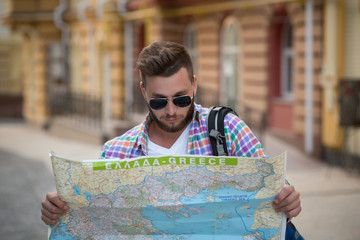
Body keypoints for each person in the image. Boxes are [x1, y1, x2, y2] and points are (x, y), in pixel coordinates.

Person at [41, 41, 301, 227]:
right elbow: (94, 220)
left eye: (181, 99)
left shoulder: (227, 129)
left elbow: (274, 187)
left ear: (195, 85)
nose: (171, 110)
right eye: (158, 101)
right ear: (143, 92)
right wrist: (60, 213)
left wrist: (288, 198)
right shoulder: (116, 151)